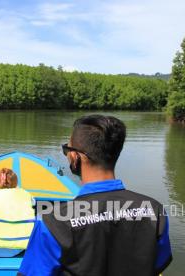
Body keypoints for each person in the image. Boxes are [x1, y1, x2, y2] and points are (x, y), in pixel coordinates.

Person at [19, 115, 172, 275]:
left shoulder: (53, 223)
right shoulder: (154, 211)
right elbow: (157, 263)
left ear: (75, 156)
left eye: (67, 149)